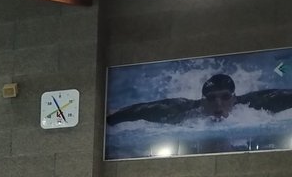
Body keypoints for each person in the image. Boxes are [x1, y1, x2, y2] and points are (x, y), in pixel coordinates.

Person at [107, 73, 292, 126]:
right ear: (203, 100)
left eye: (225, 97)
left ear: (234, 98)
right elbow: (142, 110)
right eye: (211, 99)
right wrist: (111, 119)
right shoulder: (181, 110)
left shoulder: (254, 105)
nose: (218, 104)